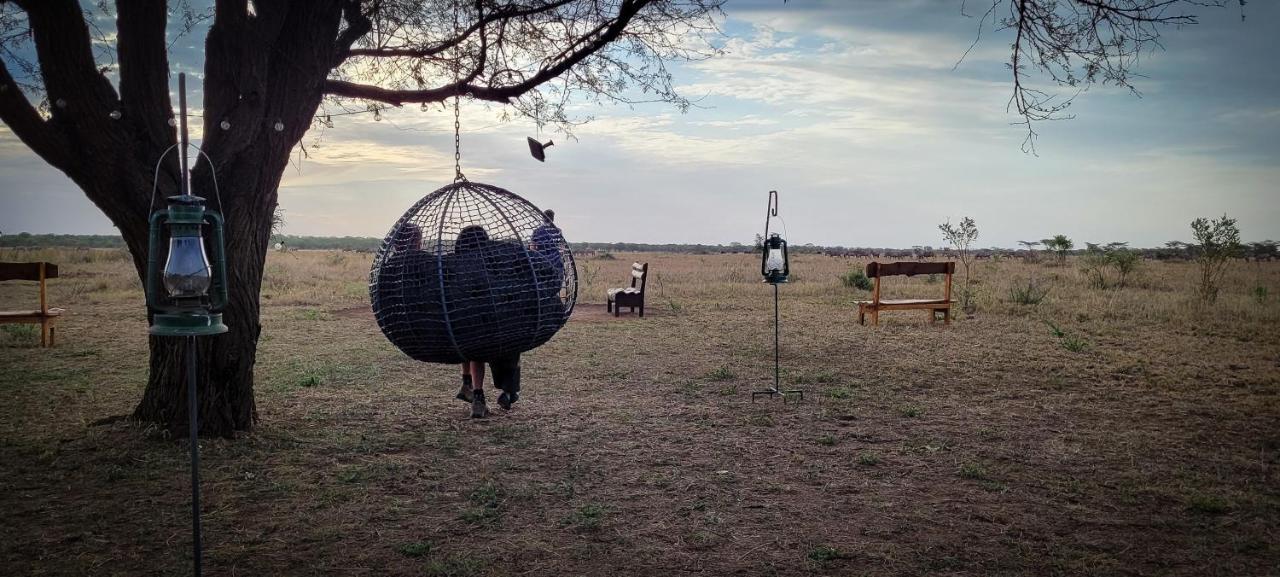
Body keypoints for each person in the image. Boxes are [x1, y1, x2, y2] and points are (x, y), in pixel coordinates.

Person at [452, 225, 523, 418]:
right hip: (496, 321)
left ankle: (476, 394)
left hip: (471, 320)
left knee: (474, 350)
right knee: (509, 350)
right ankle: (508, 393)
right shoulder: (493, 261)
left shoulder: (457, 265)